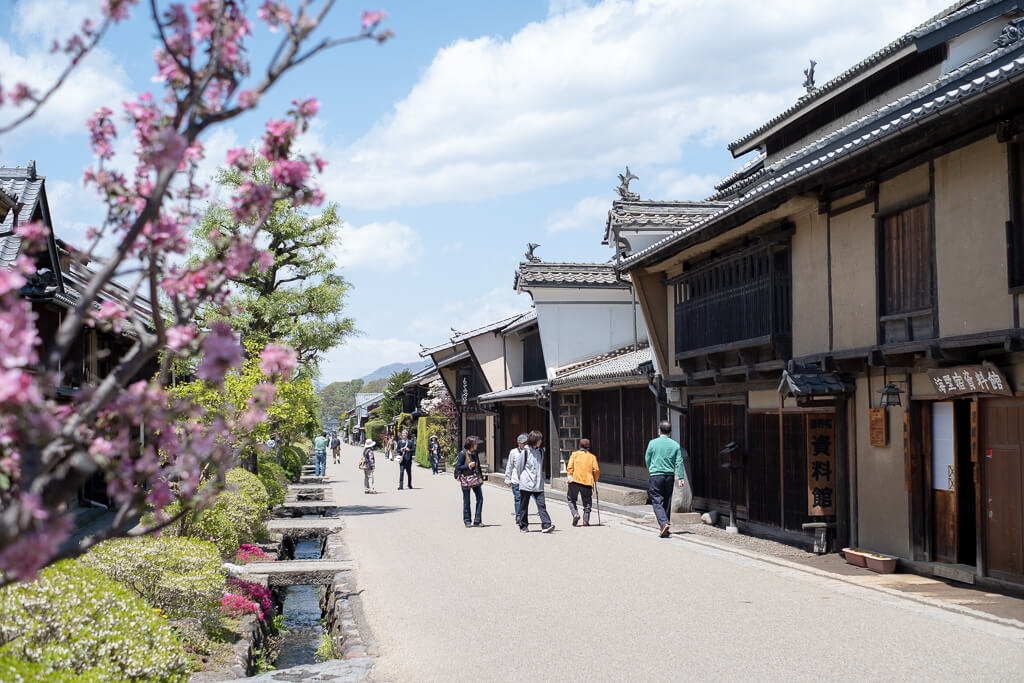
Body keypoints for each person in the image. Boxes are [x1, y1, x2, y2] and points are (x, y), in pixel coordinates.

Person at [645, 420, 686, 538]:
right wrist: (681, 477)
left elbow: (647, 458)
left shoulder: (652, 443)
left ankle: (663, 524)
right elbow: (679, 462)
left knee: (657, 500)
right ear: (670, 432)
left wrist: (650, 469)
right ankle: (666, 525)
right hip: (669, 476)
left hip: (656, 475)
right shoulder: (675, 445)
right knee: (667, 500)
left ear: (659, 430)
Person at [517, 430, 554, 533]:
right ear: (535, 440)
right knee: (524, 506)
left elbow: (540, 466)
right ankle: (523, 526)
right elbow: (519, 467)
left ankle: (546, 524)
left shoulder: (540, 451)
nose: (541, 441)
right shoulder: (525, 451)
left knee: (541, 505)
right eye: (539, 439)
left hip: (538, 484)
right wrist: (523, 478)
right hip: (526, 483)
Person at [566, 438, 600, 527]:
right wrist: (595, 479)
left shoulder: (574, 454)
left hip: (575, 480)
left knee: (571, 499)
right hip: (587, 482)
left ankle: (575, 514)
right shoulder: (592, 457)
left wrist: (569, 477)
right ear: (589, 447)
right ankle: (586, 521)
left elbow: (570, 467)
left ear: (579, 446)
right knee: (587, 502)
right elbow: (596, 470)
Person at [455, 436, 484, 527]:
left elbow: (478, 466)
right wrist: (468, 466)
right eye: (475, 444)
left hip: (475, 478)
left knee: (480, 498)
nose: (477, 445)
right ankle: (467, 521)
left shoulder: (475, 453)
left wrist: (481, 478)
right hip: (466, 479)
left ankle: (477, 520)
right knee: (467, 500)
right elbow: (458, 467)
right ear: (471, 445)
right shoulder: (462, 454)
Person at [504, 433, 528, 517]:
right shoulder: (513, 452)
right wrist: (507, 479)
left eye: (526, 443)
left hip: (526, 481)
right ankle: (519, 516)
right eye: (523, 443)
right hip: (516, 480)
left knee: (524, 500)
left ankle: (523, 516)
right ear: (518, 443)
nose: (524, 444)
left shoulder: (529, 452)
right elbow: (509, 466)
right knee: (518, 498)